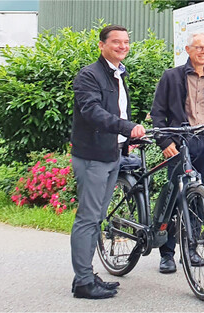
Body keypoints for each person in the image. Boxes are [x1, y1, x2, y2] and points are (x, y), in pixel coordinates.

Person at [69, 24, 146, 299]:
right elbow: (92, 112)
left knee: (98, 217)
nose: (123, 46)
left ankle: (87, 276)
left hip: (112, 154)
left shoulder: (117, 74)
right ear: (102, 45)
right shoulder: (89, 75)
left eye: (126, 42)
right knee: (88, 218)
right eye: (116, 42)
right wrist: (126, 127)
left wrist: (129, 138)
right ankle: (82, 281)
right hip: (92, 157)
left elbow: (117, 110)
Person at [150, 32, 204, 273]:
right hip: (179, 144)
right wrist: (164, 142)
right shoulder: (172, 77)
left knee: (197, 198)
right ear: (188, 49)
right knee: (174, 198)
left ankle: (191, 249)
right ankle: (167, 253)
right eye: (199, 47)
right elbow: (157, 113)